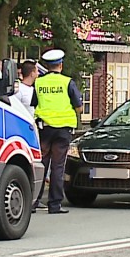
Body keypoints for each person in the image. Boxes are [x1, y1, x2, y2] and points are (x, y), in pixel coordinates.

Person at [31, 48, 83, 214]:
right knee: (58, 166)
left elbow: (34, 104)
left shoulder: (38, 83)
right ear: (60, 65)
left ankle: (33, 202)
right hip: (63, 130)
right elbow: (79, 107)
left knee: (42, 164)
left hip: (44, 129)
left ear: (47, 66)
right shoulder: (68, 82)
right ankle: (54, 204)